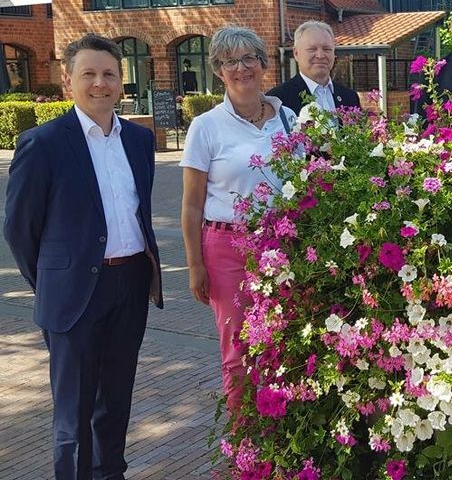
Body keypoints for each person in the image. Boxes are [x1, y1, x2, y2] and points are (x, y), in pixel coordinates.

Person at [4, 33, 163, 480]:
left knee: (114, 404)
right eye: (89, 74)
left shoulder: (137, 139)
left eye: (109, 74)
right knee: (73, 415)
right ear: (67, 79)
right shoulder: (44, 143)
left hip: (129, 285)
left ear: (121, 80)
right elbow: (20, 229)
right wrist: (54, 282)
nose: (100, 84)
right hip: (72, 294)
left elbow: (140, 210)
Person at [180, 26, 297, 414]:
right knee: (239, 351)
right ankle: (246, 452)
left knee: (284, 343)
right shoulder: (206, 127)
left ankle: (281, 442)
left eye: (249, 58)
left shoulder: (289, 119)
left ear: (263, 64)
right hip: (226, 248)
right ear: (219, 70)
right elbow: (192, 204)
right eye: (230, 61)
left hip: (282, 248)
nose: (241, 68)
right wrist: (195, 264)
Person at [267, 20, 360, 114]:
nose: (320, 55)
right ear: (296, 53)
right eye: (312, 49)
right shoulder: (277, 100)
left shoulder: (350, 97)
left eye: (326, 49)